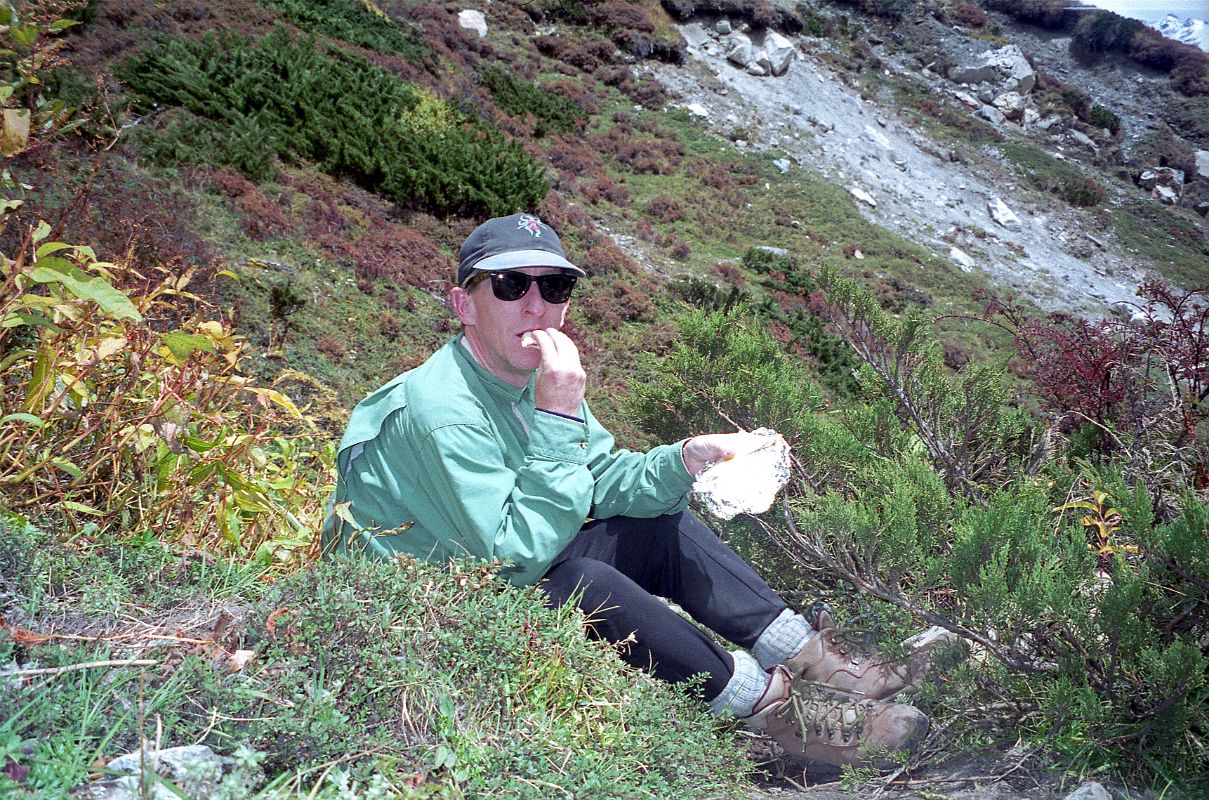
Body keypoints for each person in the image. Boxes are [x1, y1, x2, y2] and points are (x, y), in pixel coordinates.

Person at [322, 212, 940, 767]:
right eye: (510, 286)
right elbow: (514, 558)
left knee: (658, 527)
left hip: (486, 564)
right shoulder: (443, 411)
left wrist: (683, 461)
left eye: (554, 287)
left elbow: (599, 478)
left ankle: (819, 662)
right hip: (418, 613)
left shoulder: (526, 377)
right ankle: (777, 714)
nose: (536, 306)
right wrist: (558, 413)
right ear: (464, 304)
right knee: (581, 582)